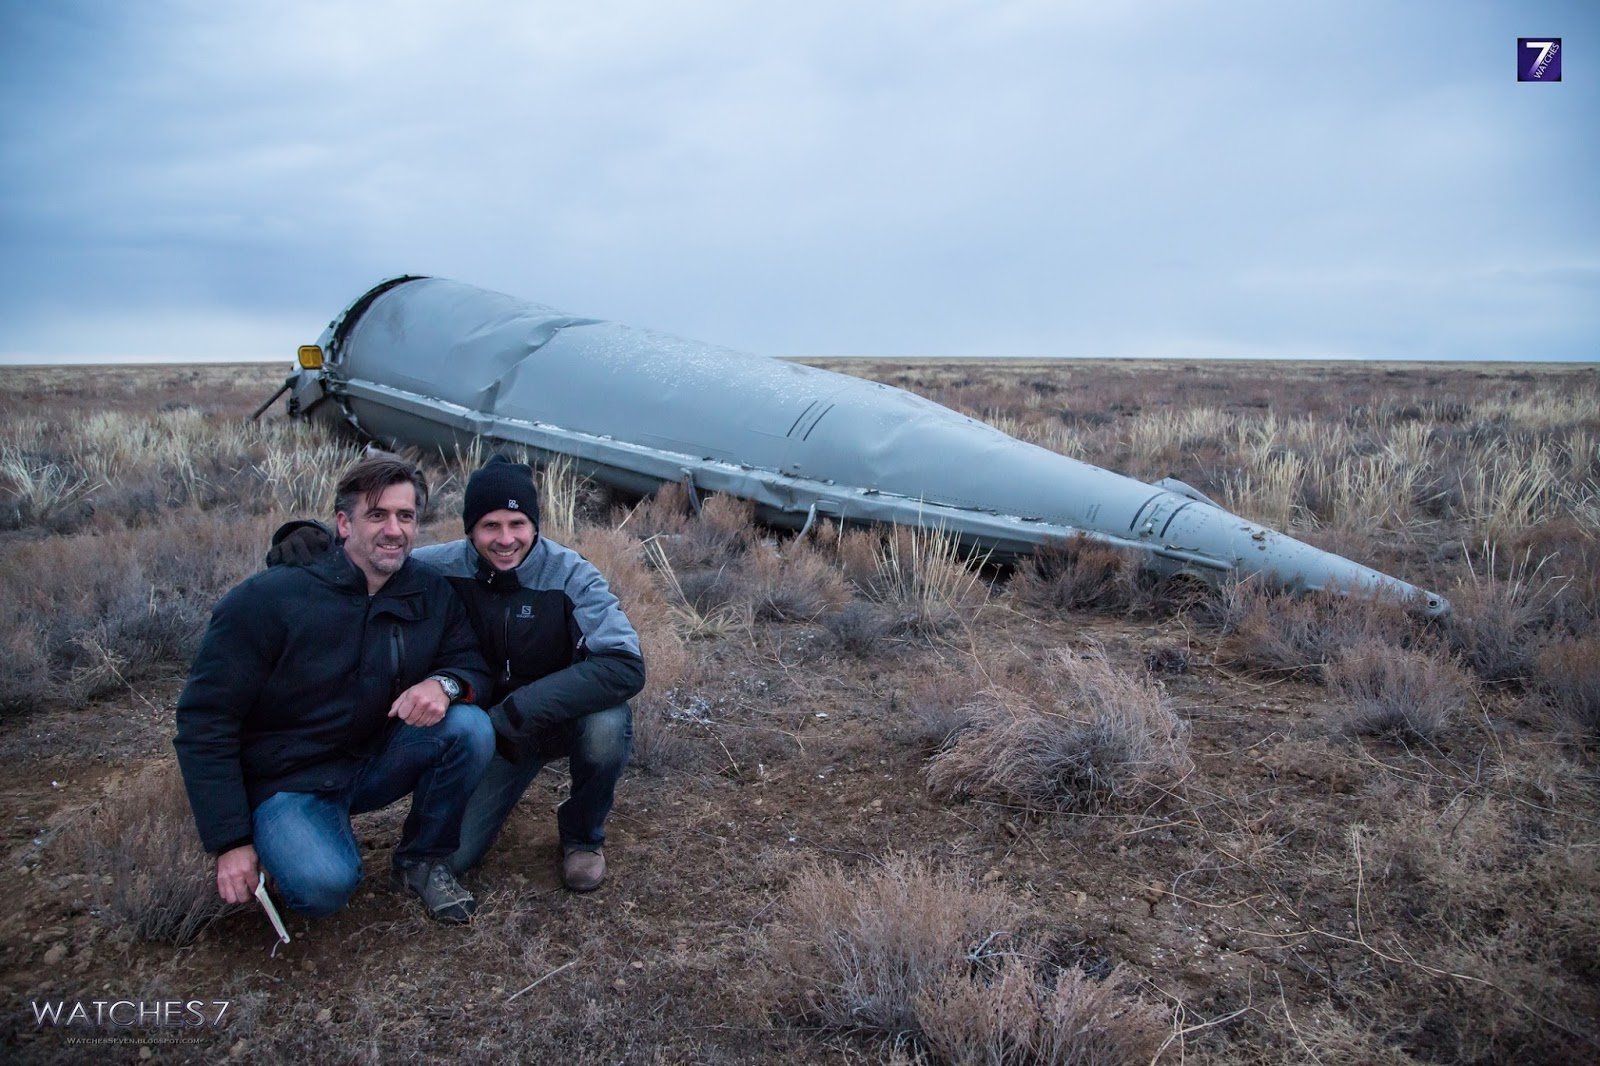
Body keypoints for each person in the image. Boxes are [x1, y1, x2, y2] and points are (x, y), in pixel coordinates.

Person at [269, 454, 645, 892]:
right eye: (490, 526)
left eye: (517, 524)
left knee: (607, 723)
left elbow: (624, 663)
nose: (505, 539)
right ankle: (480, 804)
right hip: (489, 738)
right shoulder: (436, 567)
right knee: (457, 855)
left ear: (534, 525)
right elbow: (373, 552)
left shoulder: (572, 574)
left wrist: (518, 711)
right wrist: (307, 537)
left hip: (545, 720)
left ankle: (582, 836)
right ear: (470, 529)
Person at [174, 452, 495, 924]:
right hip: (290, 782)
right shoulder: (267, 600)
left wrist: (444, 684)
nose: (394, 530)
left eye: (406, 516)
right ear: (344, 524)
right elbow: (205, 719)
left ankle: (422, 860)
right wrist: (230, 841)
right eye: (377, 515)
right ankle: (300, 835)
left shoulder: (428, 591)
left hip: (373, 761)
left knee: (469, 727)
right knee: (325, 888)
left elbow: (471, 663)